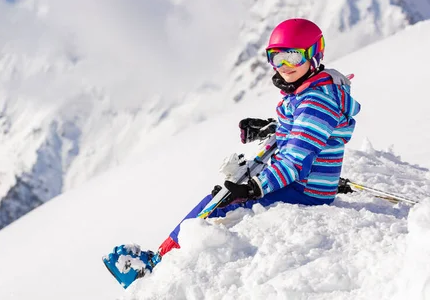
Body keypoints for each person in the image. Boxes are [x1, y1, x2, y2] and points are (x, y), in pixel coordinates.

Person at [104, 18, 361, 288]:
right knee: (218, 197)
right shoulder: (309, 90)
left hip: (305, 190)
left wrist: (253, 189)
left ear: (314, 53)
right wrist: (271, 128)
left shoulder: (315, 101)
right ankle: (161, 257)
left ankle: (160, 266)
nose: (284, 67)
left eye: (293, 57)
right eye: (276, 58)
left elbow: (295, 162)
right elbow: (302, 132)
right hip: (306, 182)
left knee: (222, 204)